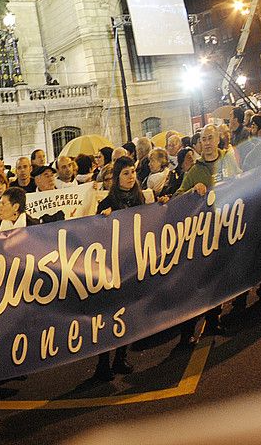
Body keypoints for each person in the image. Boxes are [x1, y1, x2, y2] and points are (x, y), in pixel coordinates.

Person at [94, 156, 143, 380]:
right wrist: (101, 220)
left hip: (132, 264)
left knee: (128, 312)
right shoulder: (106, 203)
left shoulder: (141, 200)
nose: (131, 176)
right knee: (108, 315)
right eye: (126, 173)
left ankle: (120, 358)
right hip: (111, 267)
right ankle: (103, 363)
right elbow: (94, 234)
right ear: (116, 177)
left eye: (133, 171)